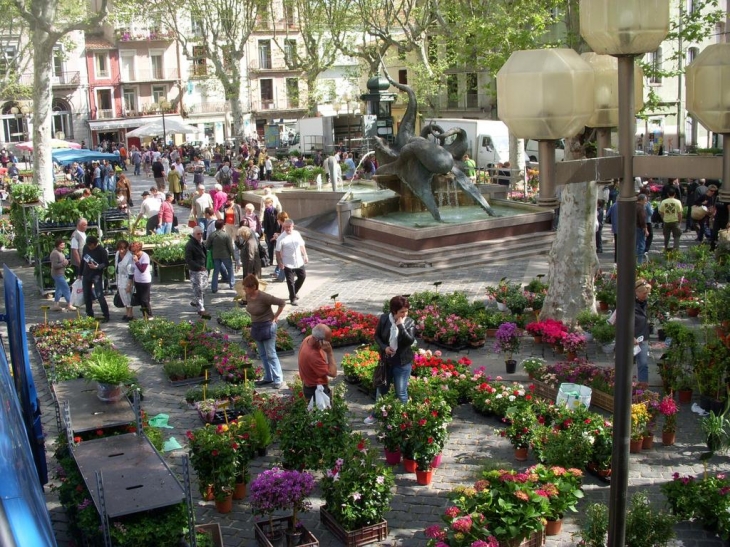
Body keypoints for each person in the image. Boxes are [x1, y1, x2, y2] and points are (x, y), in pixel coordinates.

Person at [364, 295, 416, 424]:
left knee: (401, 392)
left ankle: (404, 419)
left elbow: (409, 341)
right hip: (386, 362)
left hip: (402, 363)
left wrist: (401, 326)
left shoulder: (409, 322)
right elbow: (377, 336)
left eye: (406, 311)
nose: (404, 314)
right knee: (381, 390)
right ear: (394, 311)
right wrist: (384, 347)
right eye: (401, 312)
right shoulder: (384, 319)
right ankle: (376, 414)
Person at [243, 274, 286, 389]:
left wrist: (275, 317)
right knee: (262, 354)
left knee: (271, 354)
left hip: (268, 326)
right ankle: (268, 377)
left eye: (246, 287)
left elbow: (282, 303)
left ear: (253, 287)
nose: (244, 289)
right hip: (256, 327)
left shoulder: (264, 297)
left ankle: (278, 379)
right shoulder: (248, 295)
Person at [298, 323, 337, 403]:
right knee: (324, 413)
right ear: (318, 340)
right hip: (316, 390)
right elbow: (333, 373)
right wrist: (330, 353)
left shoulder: (308, 339)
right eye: (328, 339)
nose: (330, 341)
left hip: (308, 386)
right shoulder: (313, 356)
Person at [275, 219, 308, 305]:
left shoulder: (297, 234)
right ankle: (292, 298)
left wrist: (305, 255)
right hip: (288, 262)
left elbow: (301, 245)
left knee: (302, 276)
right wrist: (280, 262)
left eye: (289, 227)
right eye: (285, 227)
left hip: (299, 261)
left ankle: (294, 291)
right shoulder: (281, 238)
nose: (287, 228)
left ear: (292, 226)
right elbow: (277, 251)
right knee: (290, 281)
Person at [80, 235, 110, 322]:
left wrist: (97, 267)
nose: (89, 247)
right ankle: (89, 315)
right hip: (86, 274)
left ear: (95, 244)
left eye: (91, 245)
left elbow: (106, 263)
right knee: (86, 295)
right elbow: (83, 260)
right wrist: (80, 273)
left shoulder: (101, 250)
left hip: (96, 275)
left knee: (99, 295)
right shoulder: (86, 247)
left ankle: (106, 315)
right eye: (88, 245)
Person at [185, 226, 211, 319]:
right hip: (195, 271)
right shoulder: (190, 245)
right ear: (194, 234)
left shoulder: (201, 243)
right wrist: (198, 267)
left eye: (201, 234)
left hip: (203, 269)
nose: (200, 235)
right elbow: (188, 260)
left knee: (204, 287)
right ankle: (201, 309)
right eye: (198, 234)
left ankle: (196, 301)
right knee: (198, 289)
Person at [206, 219, 235, 293]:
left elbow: (207, 246)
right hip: (225, 255)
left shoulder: (212, 235)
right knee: (230, 269)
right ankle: (232, 285)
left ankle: (214, 288)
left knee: (216, 271)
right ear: (222, 226)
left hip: (215, 255)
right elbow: (230, 247)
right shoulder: (226, 235)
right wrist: (234, 256)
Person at [49, 238, 75, 311]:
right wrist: (64, 264)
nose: (63, 247)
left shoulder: (59, 252)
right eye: (61, 245)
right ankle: (69, 304)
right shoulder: (55, 253)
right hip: (57, 274)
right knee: (66, 288)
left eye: (64, 245)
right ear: (57, 245)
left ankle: (56, 305)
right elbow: (55, 265)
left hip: (60, 273)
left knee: (59, 289)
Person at [634, 279, 652, 384]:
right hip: (631, 339)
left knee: (643, 364)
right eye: (645, 293)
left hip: (643, 337)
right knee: (624, 365)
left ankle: (643, 390)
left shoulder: (644, 303)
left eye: (648, 293)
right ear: (637, 292)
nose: (647, 295)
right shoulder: (627, 304)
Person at [129, 241, 153, 317]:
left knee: (145, 299)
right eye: (131, 251)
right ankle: (144, 316)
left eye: (134, 251)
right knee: (140, 300)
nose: (133, 253)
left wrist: (136, 261)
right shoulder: (133, 257)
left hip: (145, 281)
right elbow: (133, 269)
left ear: (139, 250)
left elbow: (142, 269)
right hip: (137, 280)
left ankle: (150, 316)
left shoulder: (145, 256)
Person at [114, 240, 135, 321]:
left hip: (127, 279)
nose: (121, 250)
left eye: (123, 248)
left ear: (127, 248)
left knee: (128, 296)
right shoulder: (117, 254)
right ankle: (126, 313)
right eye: (120, 248)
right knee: (123, 297)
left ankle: (130, 314)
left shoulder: (129, 257)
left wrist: (129, 285)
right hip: (119, 278)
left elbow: (131, 272)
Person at [658, 186, 683, 252]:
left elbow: (661, 212)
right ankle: (676, 249)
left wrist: (663, 218)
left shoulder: (663, 202)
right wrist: (680, 221)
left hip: (666, 221)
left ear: (667, 194)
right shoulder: (678, 202)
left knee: (666, 236)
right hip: (675, 221)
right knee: (676, 236)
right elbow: (680, 213)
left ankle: (666, 248)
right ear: (675, 194)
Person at [223, 194, 243, 268]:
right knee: (229, 240)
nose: (229, 201)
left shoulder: (237, 206)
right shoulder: (226, 206)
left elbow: (240, 216)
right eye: (228, 199)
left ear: (233, 200)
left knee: (236, 240)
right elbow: (224, 214)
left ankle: (237, 257)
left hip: (236, 225)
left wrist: (241, 226)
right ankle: (231, 254)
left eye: (230, 200)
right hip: (228, 224)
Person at [636, 194, 649, 265]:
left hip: (633, 228)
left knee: (634, 245)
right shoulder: (641, 208)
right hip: (639, 228)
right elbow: (642, 220)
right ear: (641, 200)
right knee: (641, 245)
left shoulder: (633, 206)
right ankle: (639, 263)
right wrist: (646, 229)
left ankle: (633, 261)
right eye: (645, 200)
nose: (646, 202)